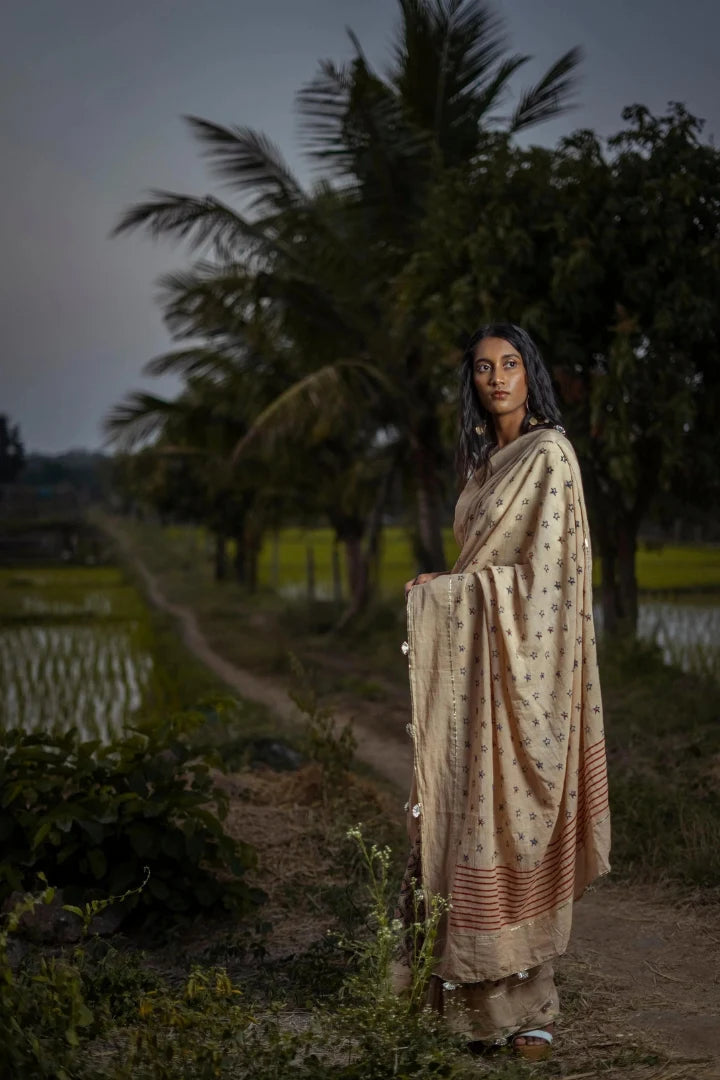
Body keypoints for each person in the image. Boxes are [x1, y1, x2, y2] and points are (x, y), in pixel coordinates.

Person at [397, 323, 611, 1061]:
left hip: (529, 672)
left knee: (515, 824)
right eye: (484, 367)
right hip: (477, 670)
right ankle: (474, 1008)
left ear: (531, 374)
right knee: (464, 822)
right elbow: (485, 561)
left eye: (510, 364)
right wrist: (446, 587)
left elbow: (549, 583)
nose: (497, 378)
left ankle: (533, 1004)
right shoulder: (485, 464)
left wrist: (457, 592)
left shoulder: (550, 455)